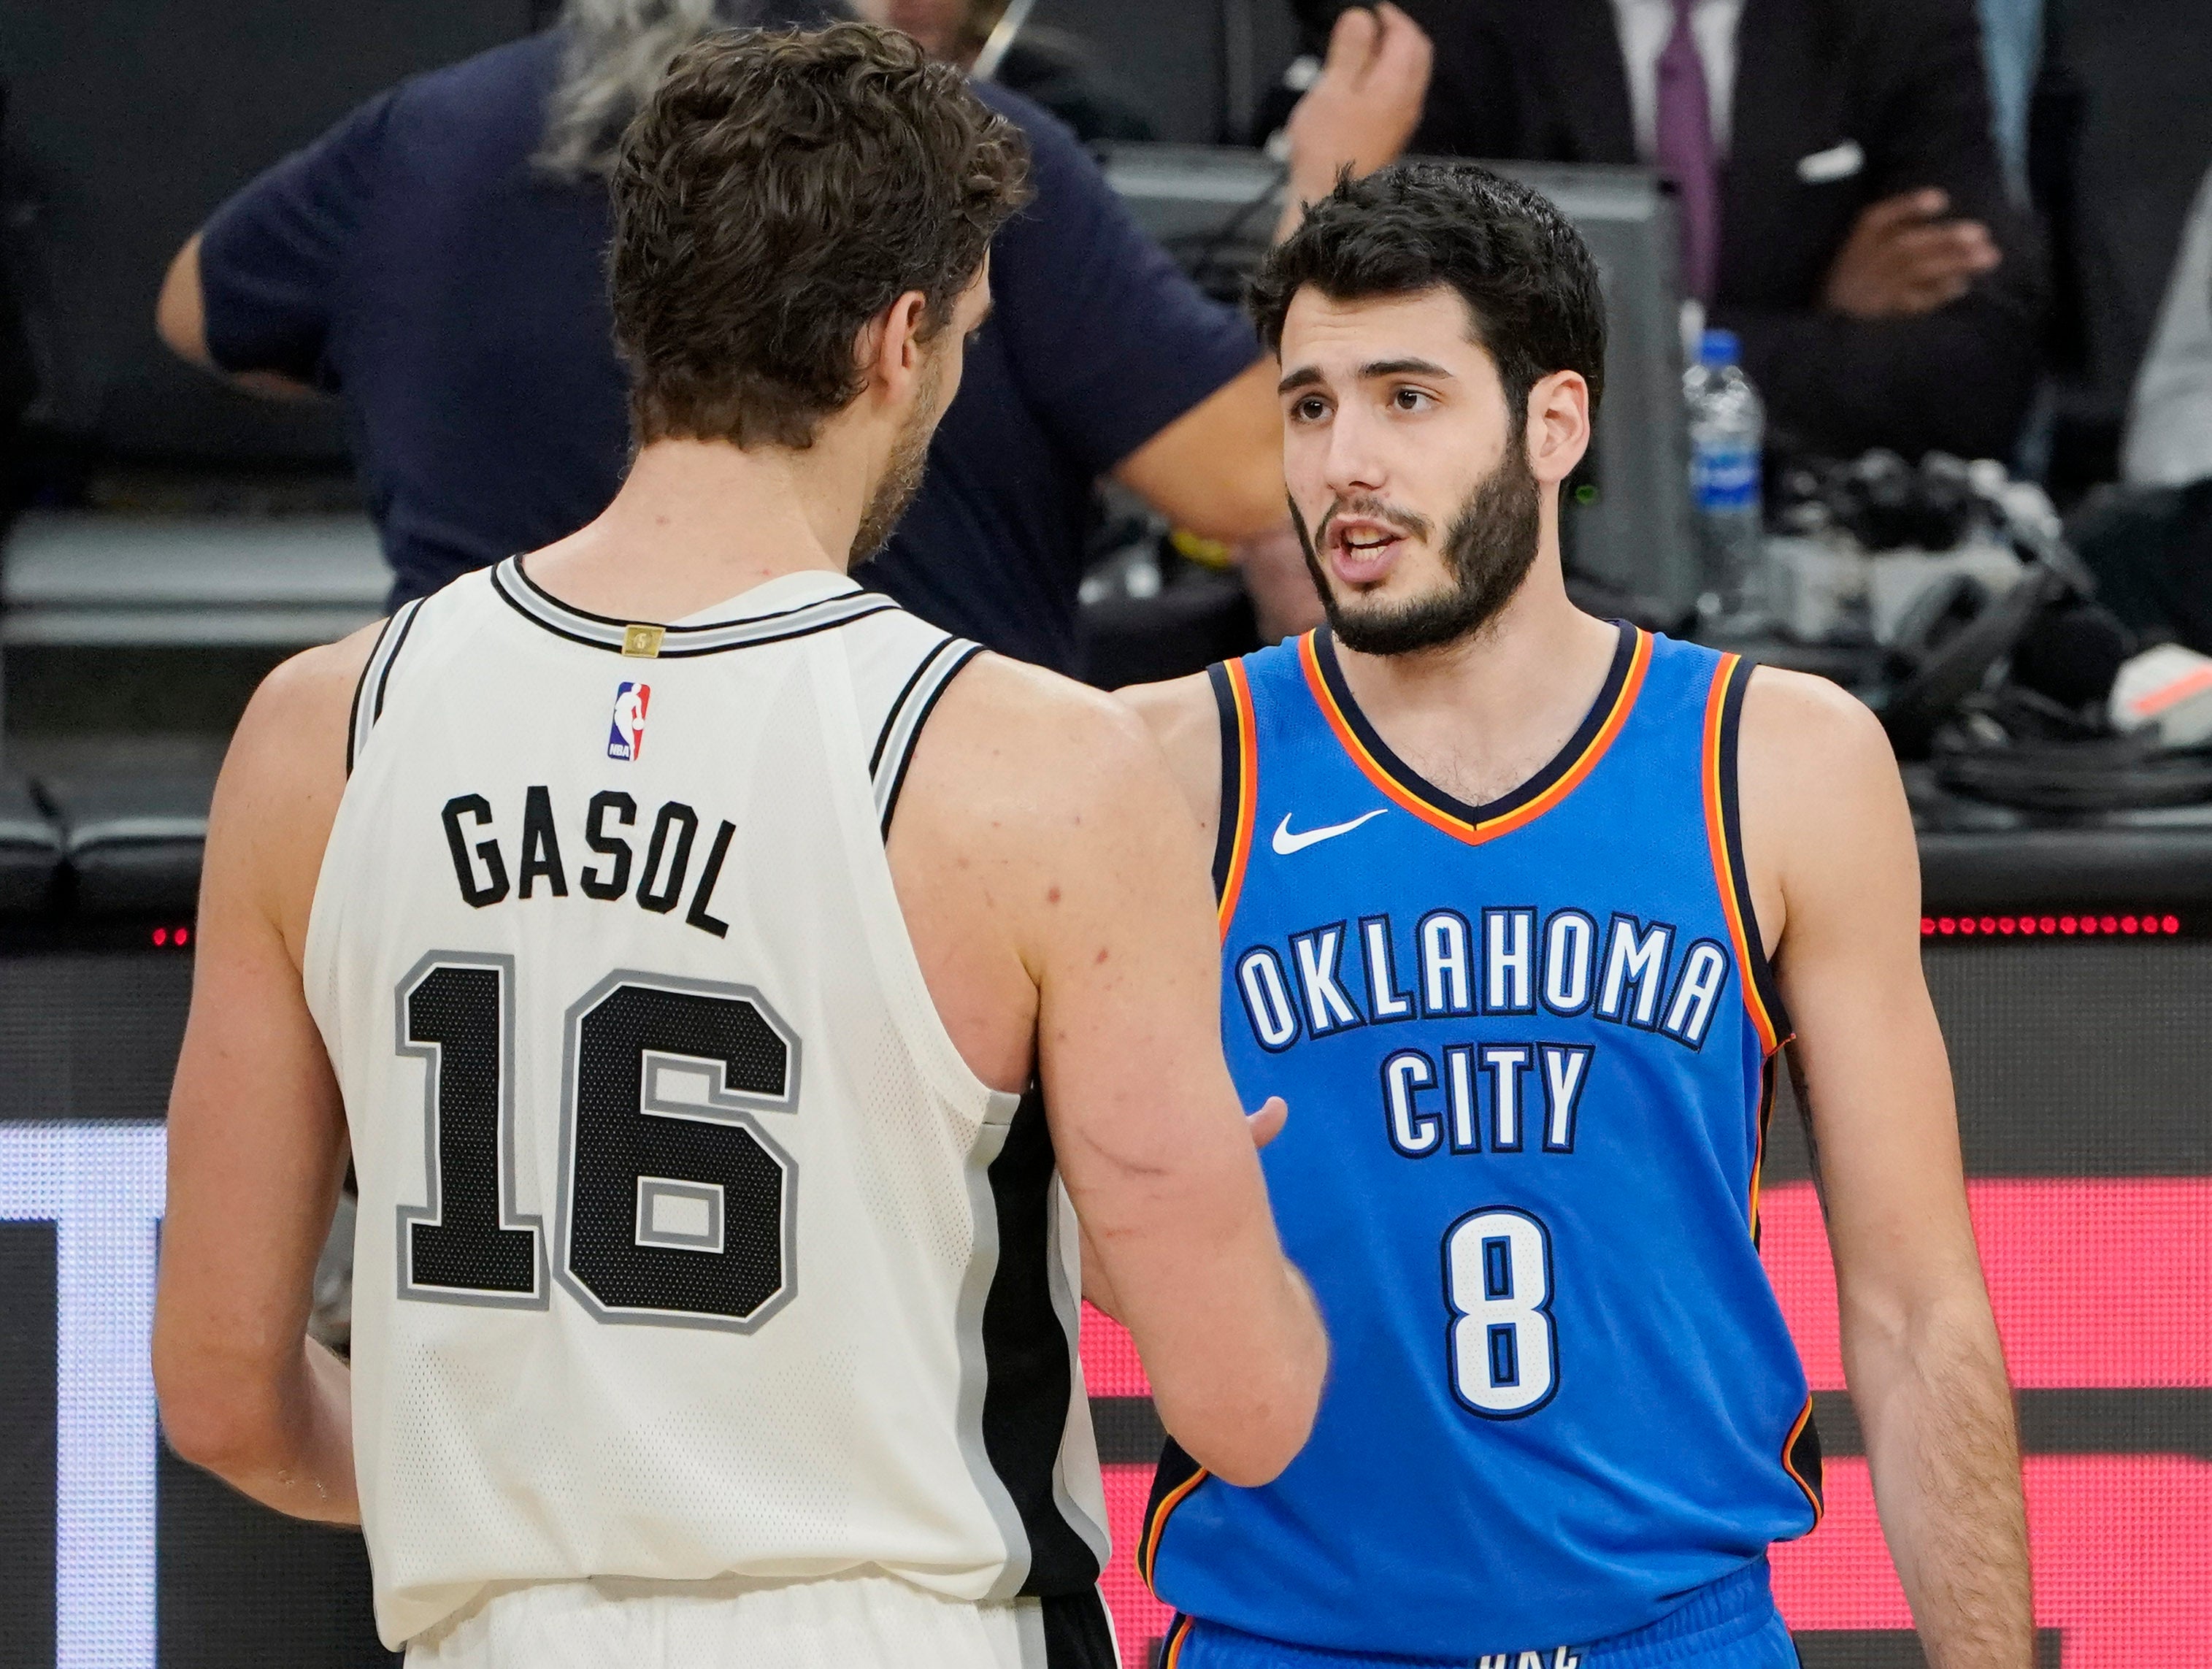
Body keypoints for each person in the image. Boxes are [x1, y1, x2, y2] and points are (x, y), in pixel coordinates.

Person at [150, 27, 1326, 1668]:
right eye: (972, 334)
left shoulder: (316, 732)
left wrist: (492, 1522)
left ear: (645, 313)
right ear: (900, 341)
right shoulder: (1043, 766)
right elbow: (1247, 1411)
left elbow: (218, 1396)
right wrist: (1236, 1241)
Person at [1118, 164, 2031, 1668]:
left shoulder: (1779, 762)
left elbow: (1920, 1308)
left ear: (1556, 424)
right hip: (1287, 1635)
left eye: (1407, 399)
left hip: (1672, 1629)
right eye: (1310, 405)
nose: (1346, 459)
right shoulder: (1160, 768)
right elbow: (1015, 1246)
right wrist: (1141, 1216)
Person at [154, 0, 1427, 671]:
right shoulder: (962, 160)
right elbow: (1251, 476)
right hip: (894, 859)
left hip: (474, 824)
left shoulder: (421, 135)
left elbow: (203, 313)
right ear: (905, 336)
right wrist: (1330, 199)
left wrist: (418, 355)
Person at [1372, 0, 2044, 465]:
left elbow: (1976, 374)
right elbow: (1408, 358)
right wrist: (1809, 318)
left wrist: (1584, 357)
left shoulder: (1895, 19)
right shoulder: (1451, 23)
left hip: (1829, 532)